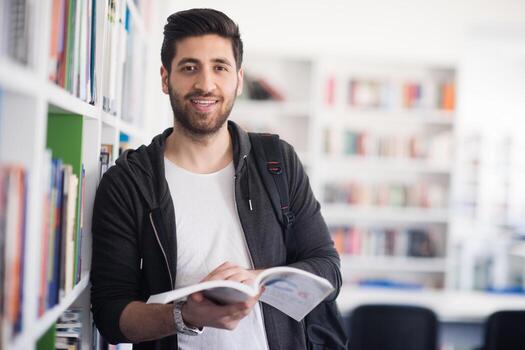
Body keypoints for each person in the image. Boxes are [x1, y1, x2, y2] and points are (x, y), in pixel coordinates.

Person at [90, 8, 341, 350]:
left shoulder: (277, 161)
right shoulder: (128, 182)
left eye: (219, 67)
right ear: (166, 79)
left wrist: (256, 281)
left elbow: (328, 269)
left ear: (238, 78)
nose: (205, 84)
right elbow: (111, 315)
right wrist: (185, 316)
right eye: (189, 67)